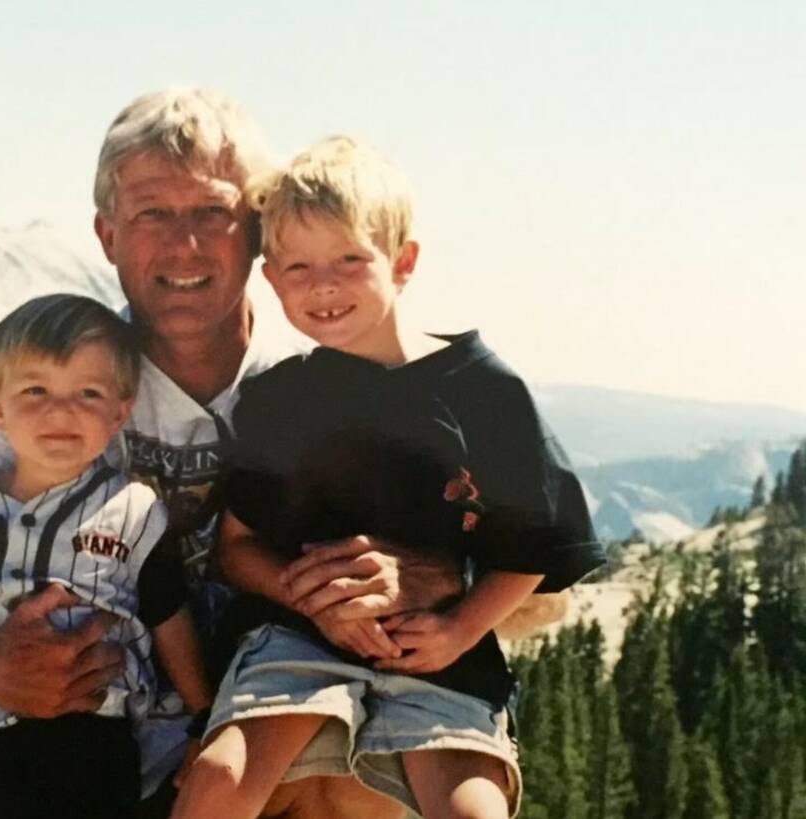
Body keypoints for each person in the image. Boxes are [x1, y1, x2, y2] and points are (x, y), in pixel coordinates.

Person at [0, 88, 539, 819]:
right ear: (107, 235)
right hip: (70, 758)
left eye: (214, 212)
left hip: (252, 750)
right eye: (151, 214)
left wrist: (433, 576)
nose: (185, 246)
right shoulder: (42, 390)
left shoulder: (323, 388)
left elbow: (538, 561)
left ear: (258, 234)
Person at [172, 137, 604, 819]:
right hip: (297, 641)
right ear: (272, 277)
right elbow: (236, 546)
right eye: (298, 265)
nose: (323, 284)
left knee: (474, 811)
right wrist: (309, 595)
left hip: (434, 646)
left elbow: (538, 546)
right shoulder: (280, 399)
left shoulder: (484, 392)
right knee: (219, 784)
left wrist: (461, 626)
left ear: (403, 262)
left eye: (350, 258)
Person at [0, 293, 211, 817]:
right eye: (35, 390)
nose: (60, 411)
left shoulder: (134, 512)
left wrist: (206, 719)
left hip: (93, 737)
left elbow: (167, 615)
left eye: (87, 393)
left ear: (120, 410)